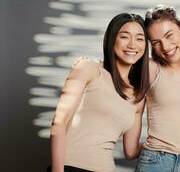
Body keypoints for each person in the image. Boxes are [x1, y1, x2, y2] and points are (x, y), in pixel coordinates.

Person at [49, 13, 149, 172]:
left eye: (139, 39)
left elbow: (131, 151)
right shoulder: (88, 68)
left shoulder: (138, 95)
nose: (132, 45)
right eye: (124, 37)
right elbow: (59, 122)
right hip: (71, 167)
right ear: (112, 39)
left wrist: (164, 142)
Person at [134, 5, 180, 172]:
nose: (166, 47)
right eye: (156, 42)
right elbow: (134, 109)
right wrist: (131, 147)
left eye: (169, 35)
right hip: (156, 160)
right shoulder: (152, 68)